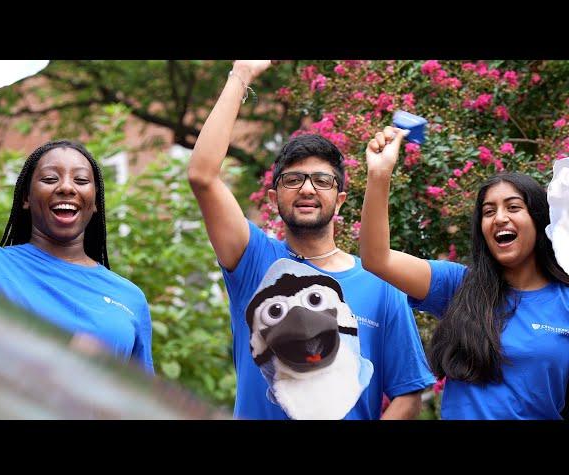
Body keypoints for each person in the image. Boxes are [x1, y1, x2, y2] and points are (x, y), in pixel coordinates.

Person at [188, 60, 434, 419]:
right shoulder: (253, 260)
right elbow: (202, 176)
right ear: (273, 197)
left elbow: (407, 394)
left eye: (322, 180)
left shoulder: (383, 284)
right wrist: (241, 73)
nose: (307, 188)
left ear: (341, 199)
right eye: (293, 180)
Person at [0, 75, 153, 373]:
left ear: (95, 201)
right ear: (26, 198)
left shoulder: (130, 298)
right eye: (49, 179)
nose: (66, 187)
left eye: (82, 180)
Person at [359, 126, 569, 419]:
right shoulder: (459, 285)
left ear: (537, 220)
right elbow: (376, 258)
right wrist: (379, 174)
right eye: (488, 211)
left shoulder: (565, 301)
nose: (500, 218)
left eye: (513, 207)